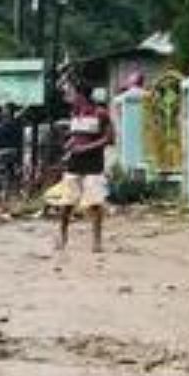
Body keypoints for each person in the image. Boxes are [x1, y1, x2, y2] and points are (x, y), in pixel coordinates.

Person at [54, 86, 114, 253]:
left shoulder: (100, 113)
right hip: (74, 163)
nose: (68, 97)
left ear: (81, 95)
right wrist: (70, 144)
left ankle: (97, 241)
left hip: (93, 164)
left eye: (71, 94)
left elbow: (109, 139)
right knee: (66, 203)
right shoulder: (75, 114)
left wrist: (87, 147)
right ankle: (62, 237)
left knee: (94, 203)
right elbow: (76, 136)